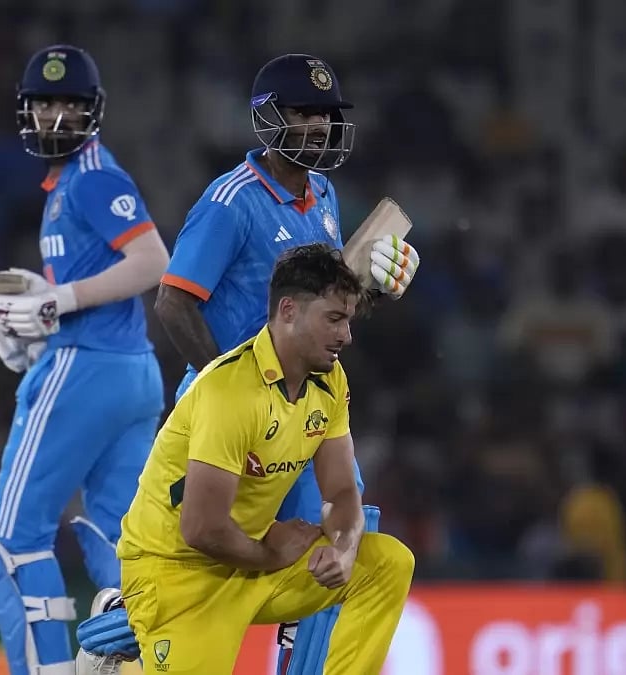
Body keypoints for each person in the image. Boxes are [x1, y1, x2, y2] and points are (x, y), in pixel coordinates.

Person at [153, 54, 420, 673]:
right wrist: (236, 387)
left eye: (327, 116)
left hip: (302, 406)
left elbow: (324, 303)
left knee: (344, 536)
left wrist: (374, 283)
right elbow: (173, 303)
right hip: (234, 414)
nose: (321, 126)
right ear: (268, 118)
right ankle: (116, 632)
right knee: (212, 565)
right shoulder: (231, 202)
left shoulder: (321, 192)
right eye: (305, 113)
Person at [98, 243, 415, 675]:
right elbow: (201, 529)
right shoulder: (230, 391)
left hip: (252, 559)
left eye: (349, 320)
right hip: (179, 575)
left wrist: (342, 549)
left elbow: (341, 489)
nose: (346, 336)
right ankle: (118, 659)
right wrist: (271, 553)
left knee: (387, 563)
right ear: (288, 311)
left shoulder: (329, 380)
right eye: (334, 319)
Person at [0, 44, 169, 675]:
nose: (57, 116)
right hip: (134, 376)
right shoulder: (70, 184)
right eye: (47, 103)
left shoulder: (92, 177)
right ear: (29, 111)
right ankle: (131, 664)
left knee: (8, 536)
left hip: (87, 369)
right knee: (119, 541)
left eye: (70, 104)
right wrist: (39, 308)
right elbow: (96, 278)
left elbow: (152, 263)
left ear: (94, 111)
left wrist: (55, 306)